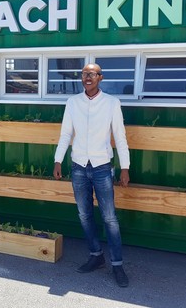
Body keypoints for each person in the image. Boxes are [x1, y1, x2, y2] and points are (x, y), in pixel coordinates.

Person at [53, 62, 130, 288]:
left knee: (109, 218)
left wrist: (125, 167)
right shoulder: (73, 102)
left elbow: (120, 136)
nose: (88, 77)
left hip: (102, 167)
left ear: (100, 78)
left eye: (92, 74)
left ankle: (117, 265)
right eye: (84, 74)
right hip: (78, 165)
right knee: (84, 215)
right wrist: (57, 160)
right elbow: (66, 133)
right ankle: (96, 255)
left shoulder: (111, 103)